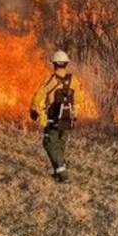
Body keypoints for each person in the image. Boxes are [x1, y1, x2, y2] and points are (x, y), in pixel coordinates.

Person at [30, 50, 86, 183]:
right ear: (66, 64)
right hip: (68, 118)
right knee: (61, 144)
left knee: (49, 144)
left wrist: (34, 110)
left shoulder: (50, 80)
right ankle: (57, 173)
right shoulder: (74, 80)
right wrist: (74, 113)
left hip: (53, 119)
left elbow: (38, 97)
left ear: (54, 64)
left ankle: (62, 171)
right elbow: (79, 99)